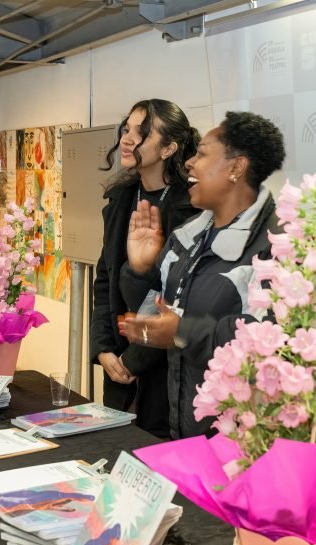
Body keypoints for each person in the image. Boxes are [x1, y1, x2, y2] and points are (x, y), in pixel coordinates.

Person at [118, 112, 286, 438]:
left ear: (236, 168)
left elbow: (268, 343)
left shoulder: (277, 244)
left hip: (242, 444)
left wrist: (184, 332)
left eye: (202, 154)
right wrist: (140, 271)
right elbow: (154, 317)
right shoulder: (187, 236)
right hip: (181, 431)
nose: (189, 163)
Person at [91, 100, 200, 438]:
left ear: (169, 148)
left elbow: (181, 298)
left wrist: (133, 361)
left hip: (166, 369)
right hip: (119, 365)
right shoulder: (121, 198)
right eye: (126, 129)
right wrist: (104, 350)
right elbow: (105, 279)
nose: (127, 139)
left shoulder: (192, 207)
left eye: (141, 133)